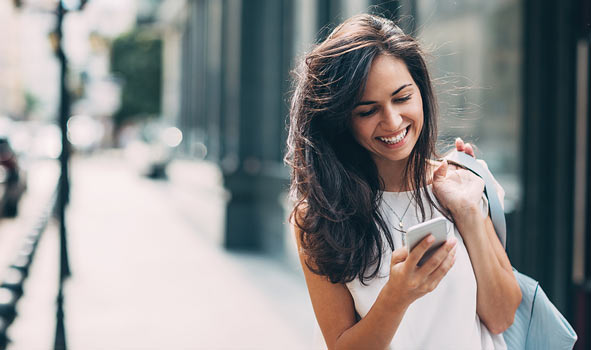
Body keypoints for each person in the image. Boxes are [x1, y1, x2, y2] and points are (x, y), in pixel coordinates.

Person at [285, 14, 522, 350]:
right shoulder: (318, 216)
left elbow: (501, 317)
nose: (393, 121)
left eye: (402, 98)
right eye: (368, 111)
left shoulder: (460, 183)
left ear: (421, 91)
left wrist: (469, 213)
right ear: (341, 121)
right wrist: (397, 296)